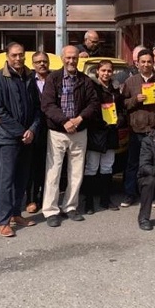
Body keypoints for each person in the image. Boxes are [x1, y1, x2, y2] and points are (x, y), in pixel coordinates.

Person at [40, 45, 99, 227]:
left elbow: (93, 103)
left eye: (74, 58)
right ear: (62, 58)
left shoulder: (85, 80)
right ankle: (51, 210)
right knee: (53, 172)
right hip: (58, 132)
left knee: (76, 172)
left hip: (79, 132)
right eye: (68, 57)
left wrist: (79, 119)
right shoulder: (53, 78)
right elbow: (47, 104)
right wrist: (64, 121)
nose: (71, 61)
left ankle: (70, 206)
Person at [0, 43, 41, 237]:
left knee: (22, 178)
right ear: (7, 56)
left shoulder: (29, 77)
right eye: (14, 55)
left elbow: (37, 108)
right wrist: (21, 132)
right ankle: (3, 221)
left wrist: (32, 130)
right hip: (7, 139)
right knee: (6, 180)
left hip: (27, 138)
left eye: (21, 55)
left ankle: (16, 214)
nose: (18, 58)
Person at [120, 49, 155, 207]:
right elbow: (123, 104)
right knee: (133, 163)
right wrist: (135, 99)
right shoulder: (130, 81)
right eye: (143, 62)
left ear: (153, 63)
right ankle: (130, 194)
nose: (146, 64)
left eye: (149, 61)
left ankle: (154, 195)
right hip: (136, 130)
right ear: (137, 64)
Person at [82, 60, 124, 214]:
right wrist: (100, 122)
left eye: (109, 71)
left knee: (107, 166)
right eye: (103, 70)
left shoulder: (115, 89)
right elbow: (88, 108)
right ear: (97, 72)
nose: (106, 73)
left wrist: (120, 120)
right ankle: (89, 202)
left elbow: (121, 109)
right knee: (92, 167)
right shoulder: (92, 87)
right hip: (96, 131)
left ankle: (106, 199)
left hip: (111, 131)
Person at [25, 51, 50, 214]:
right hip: (34, 128)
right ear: (33, 64)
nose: (42, 64)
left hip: (53, 127)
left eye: (44, 61)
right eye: (38, 62)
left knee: (50, 166)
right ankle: (32, 199)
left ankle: (47, 198)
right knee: (33, 166)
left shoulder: (54, 78)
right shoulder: (28, 80)